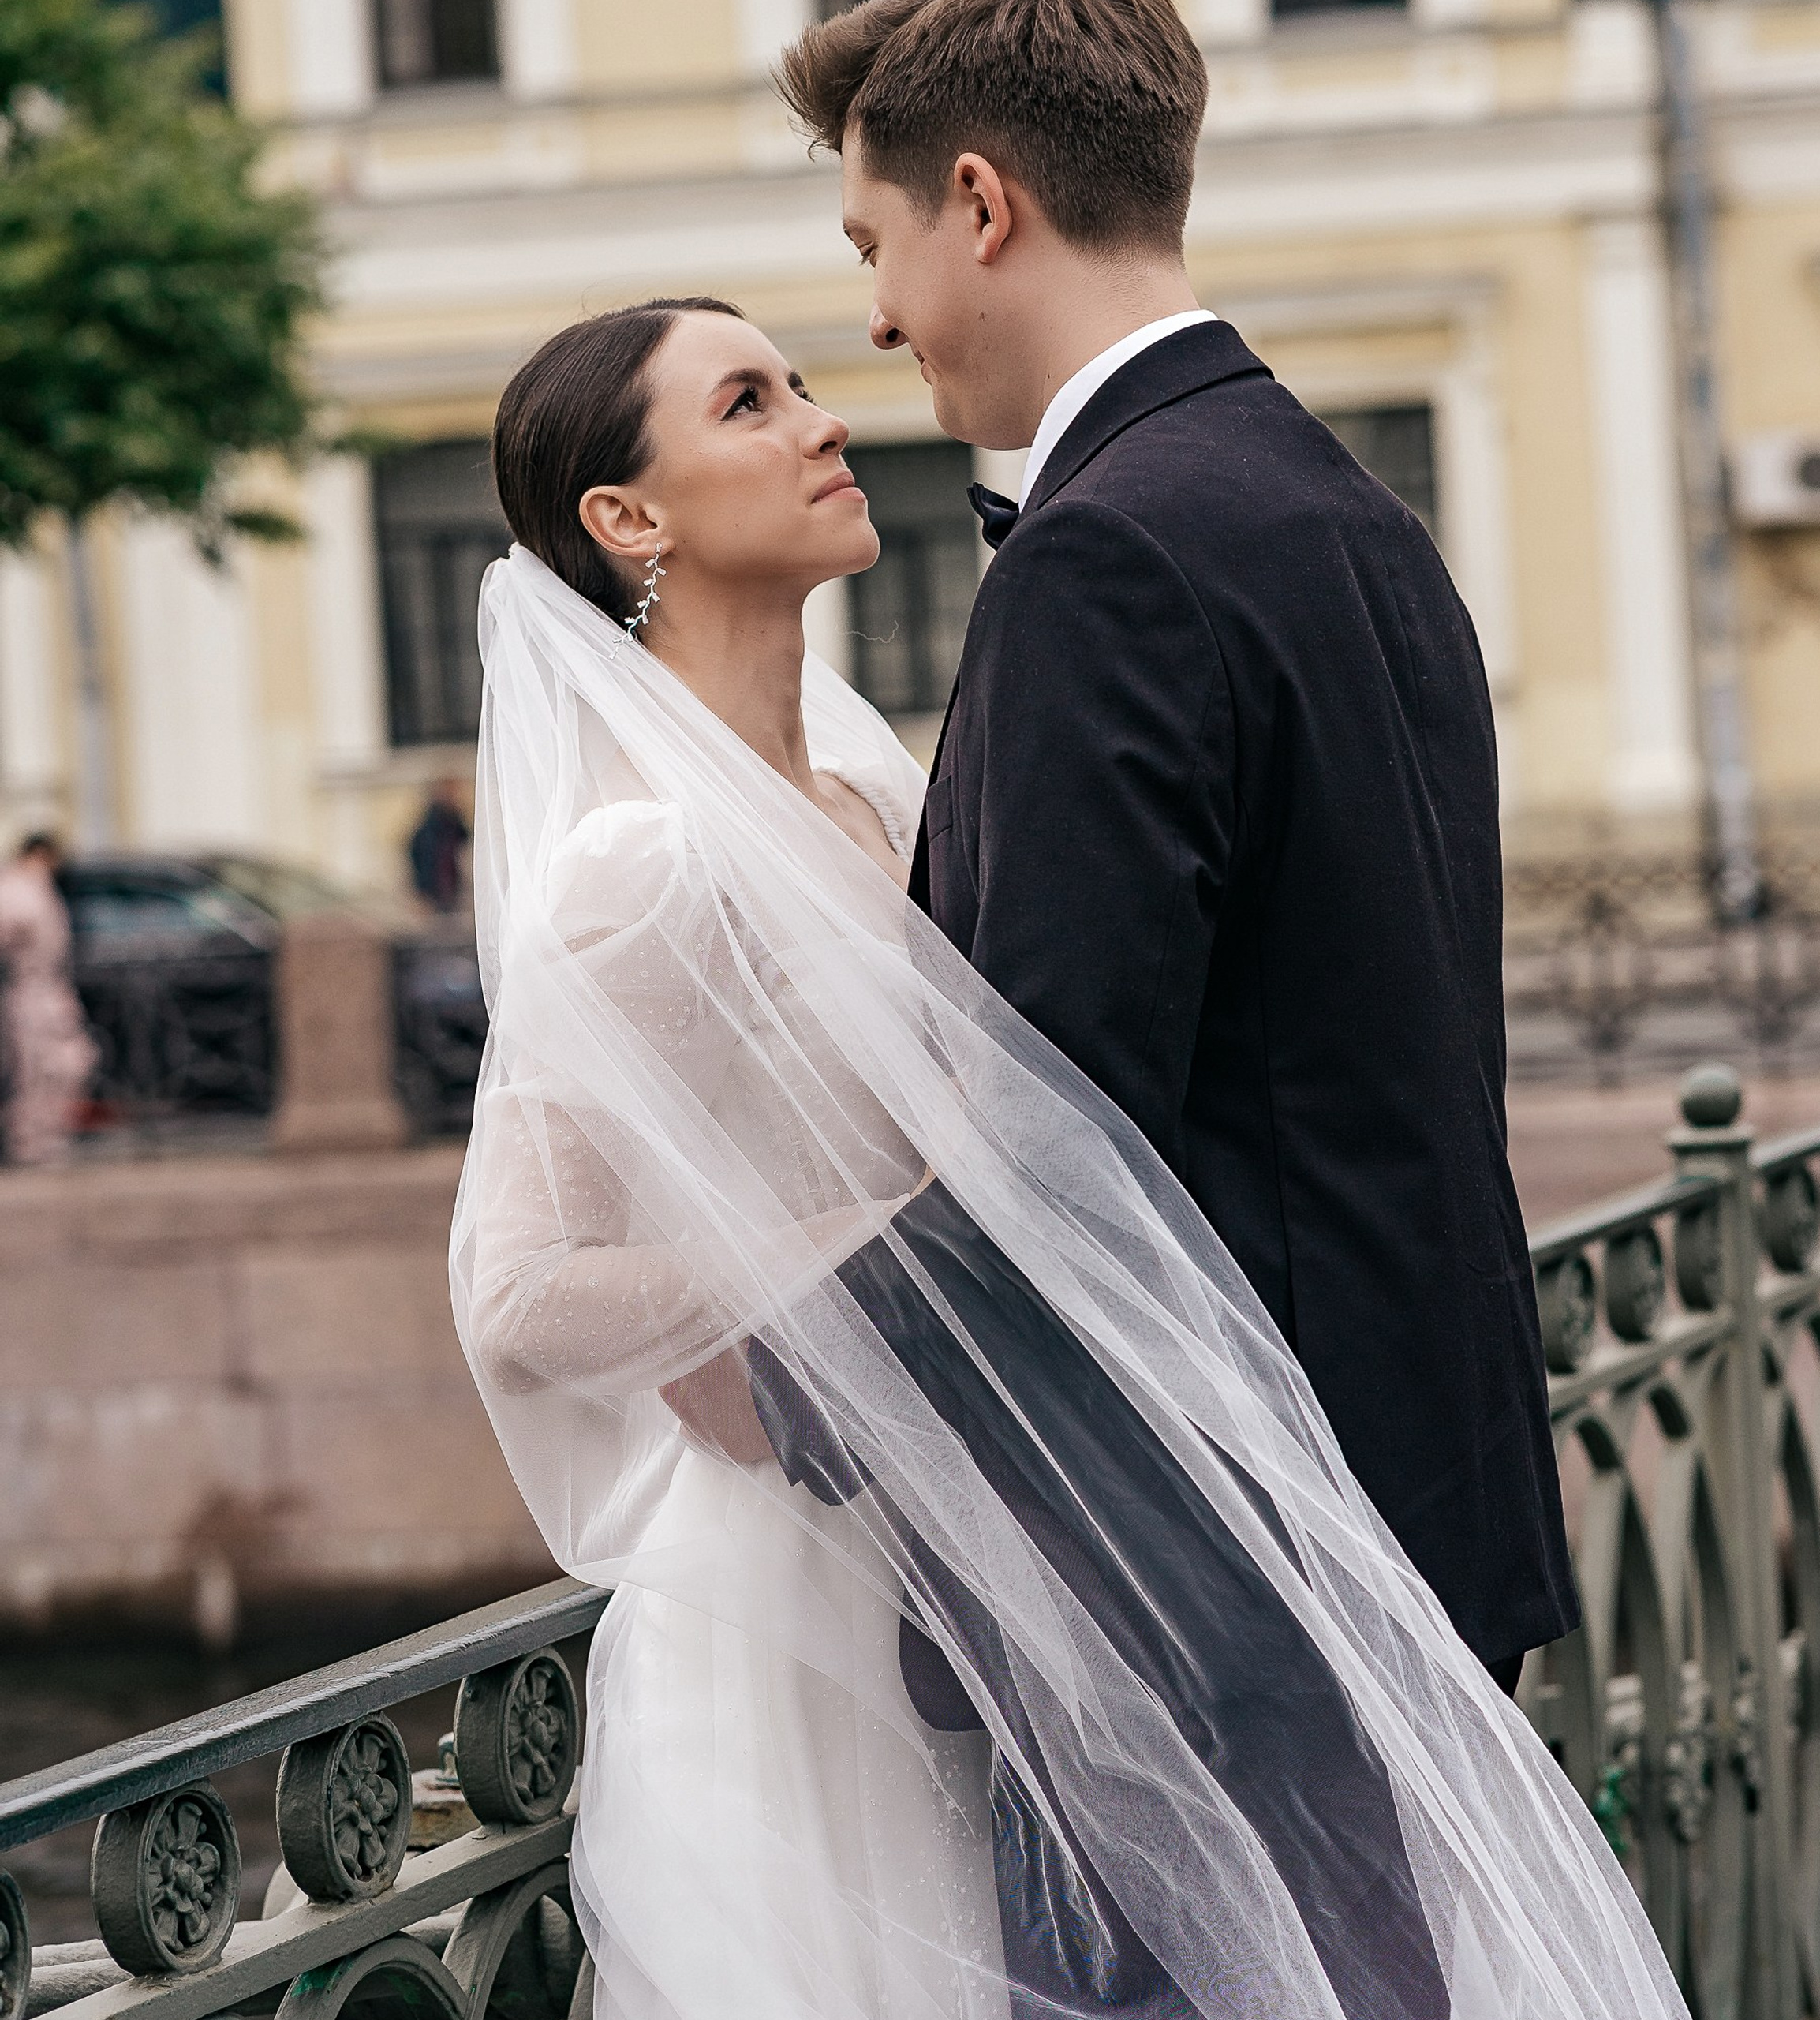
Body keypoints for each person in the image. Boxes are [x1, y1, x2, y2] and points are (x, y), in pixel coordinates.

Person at [453, 295, 1685, 2019]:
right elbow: (518, 1291)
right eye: (748, 401)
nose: (822, 419)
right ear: (626, 517)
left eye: (802, 382)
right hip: (793, 1586)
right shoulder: (637, 865)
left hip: (989, 1538)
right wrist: (849, 1247)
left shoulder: (879, 792)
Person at [775, 0, 1575, 1700]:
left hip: (1221, 1582)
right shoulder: (1342, 503)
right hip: (1420, 1491)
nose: (873, 314)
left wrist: (790, 1377)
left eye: (874, 241)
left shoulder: (1106, 558)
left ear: (980, 205)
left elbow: (1063, 1125)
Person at [0, 832, 95, 1165]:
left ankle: (46, 1139)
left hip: (50, 989)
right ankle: (32, 1145)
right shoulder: (16, 890)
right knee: (37, 1070)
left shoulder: (34, 888)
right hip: (31, 991)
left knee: (68, 1063)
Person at [408, 779, 471, 911]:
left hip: (454, 892)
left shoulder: (457, 826)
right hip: (434, 893)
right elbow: (421, 860)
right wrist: (421, 892)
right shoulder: (428, 830)